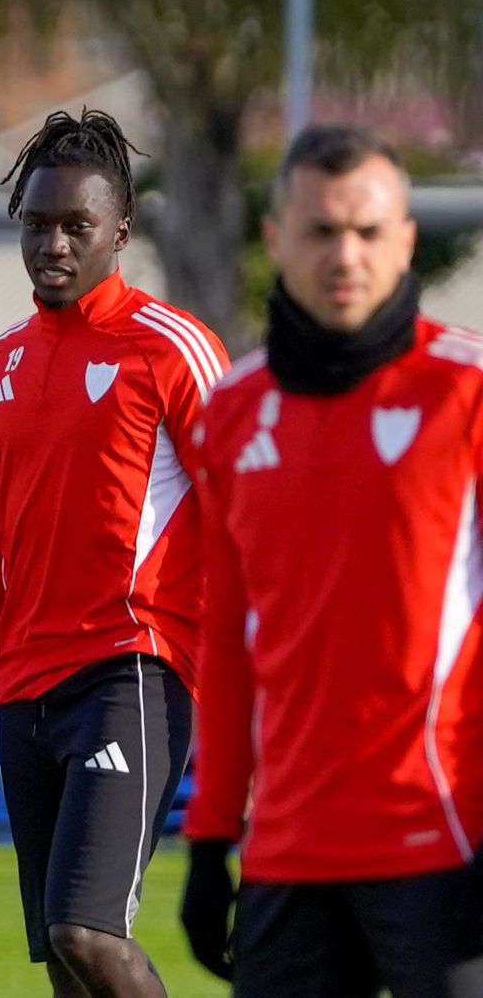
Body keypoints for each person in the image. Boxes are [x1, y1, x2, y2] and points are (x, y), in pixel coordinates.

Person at [0, 109, 229, 998]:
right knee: (62, 962)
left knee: (86, 929)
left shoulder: (171, 348)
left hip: (131, 674)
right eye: (37, 223)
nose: (52, 242)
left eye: (75, 225)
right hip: (23, 693)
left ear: (118, 232)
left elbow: (249, 519)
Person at [180, 124, 483, 997]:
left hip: (443, 842)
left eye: (367, 230)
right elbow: (232, 643)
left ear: (406, 240)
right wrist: (208, 838)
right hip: (288, 851)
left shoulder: (464, 392)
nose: (344, 254)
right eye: (319, 230)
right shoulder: (232, 413)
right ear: (276, 238)